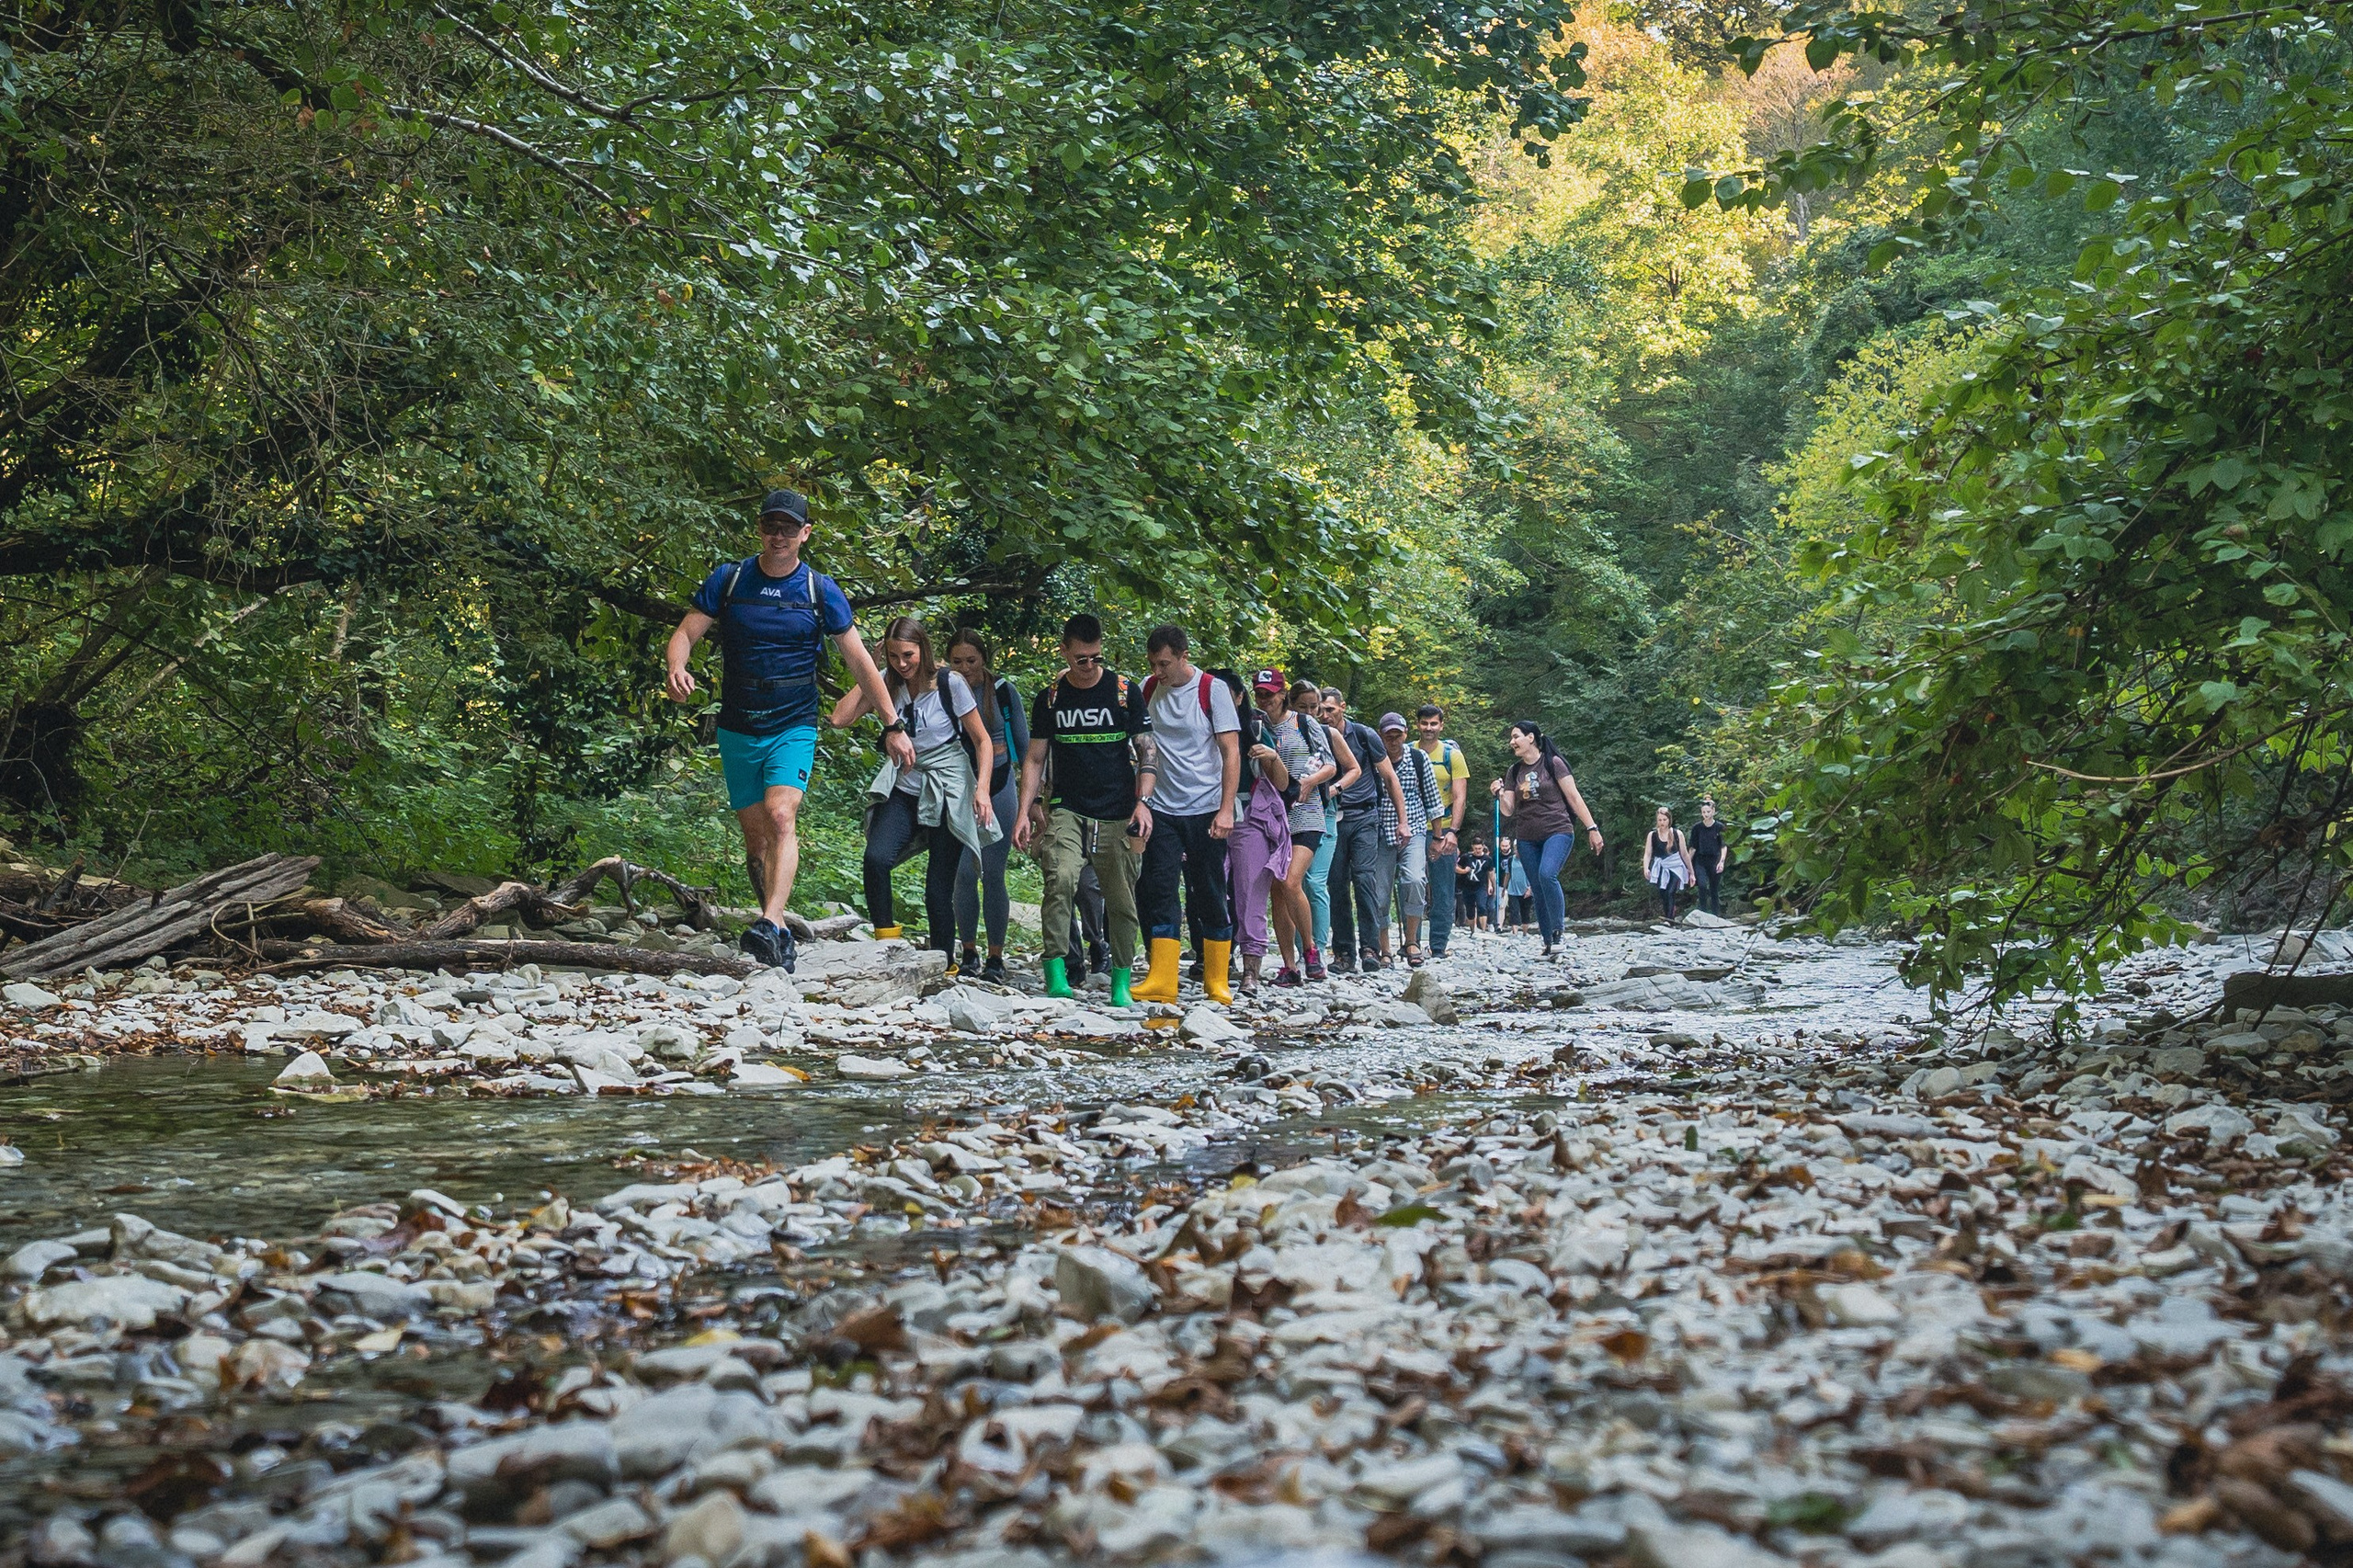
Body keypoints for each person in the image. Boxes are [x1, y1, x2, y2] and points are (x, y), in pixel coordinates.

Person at [666, 489, 915, 972]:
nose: (778, 536)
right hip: (738, 723)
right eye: (770, 526)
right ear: (760, 529)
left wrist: (892, 725)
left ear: (805, 534)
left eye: (788, 528)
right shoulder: (731, 578)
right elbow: (685, 632)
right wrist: (678, 666)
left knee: (783, 815)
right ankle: (773, 930)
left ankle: (771, 921)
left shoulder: (819, 589)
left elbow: (861, 661)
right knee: (756, 842)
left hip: (793, 721)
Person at [832, 617, 998, 959]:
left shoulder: (950, 683)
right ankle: (885, 945)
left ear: (922, 648)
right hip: (905, 782)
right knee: (876, 858)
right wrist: (870, 668)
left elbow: (982, 741)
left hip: (948, 785)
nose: (902, 664)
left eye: (908, 655)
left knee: (938, 887)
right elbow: (839, 718)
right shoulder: (885, 682)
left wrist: (981, 790)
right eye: (894, 657)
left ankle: (943, 961)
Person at [1012, 613, 1154, 1006]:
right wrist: (1024, 811)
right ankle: (1056, 970)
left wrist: (1144, 804)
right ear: (1065, 653)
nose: (1090, 666)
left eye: (1097, 658)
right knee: (1060, 879)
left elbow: (1147, 752)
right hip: (1067, 807)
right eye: (1081, 659)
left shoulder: (1125, 692)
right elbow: (1035, 758)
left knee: (1122, 898)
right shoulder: (1052, 698)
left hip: (1118, 810)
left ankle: (1121, 980)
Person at [1131, 627, 1242, 1006]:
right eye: (1153, 664)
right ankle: (1162, 977)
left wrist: (1227, 809)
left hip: (1207, 806)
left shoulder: (1213, 691)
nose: (1158, 671)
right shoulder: (1147, 689)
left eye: (1164, 664)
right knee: (1157, 887)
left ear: (1183, 656)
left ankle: (1217, 978)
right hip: (1160, 805)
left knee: (1209, 889)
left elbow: (1231, 753)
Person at [947, 630, 1028, 983]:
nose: (965, 669)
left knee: (993, 872)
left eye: (971, 661)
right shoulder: (943, 690)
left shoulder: (1003, 692)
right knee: (964, 873)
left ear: (984, 659)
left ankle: (996, 956)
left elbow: (1024, 748)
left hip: (1000, 784)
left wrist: (1033, 802)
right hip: (958, 788)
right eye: (957, 662)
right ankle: (968, 951)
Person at [1490, 721, 1603, 958]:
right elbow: (1508, 810)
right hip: (1527, 838)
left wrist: (1591, 828)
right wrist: (1499, 792)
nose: (1512, 742)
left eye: (1516, 736)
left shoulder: (1553, 764)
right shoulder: (1514, 771)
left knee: (1546, 874)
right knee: (1538, 889)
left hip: (1558, 831)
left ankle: (1559, 932)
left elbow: (1573, 797)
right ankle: (1547, 940)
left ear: (1531, 738)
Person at [1319, 687, 1408, 974]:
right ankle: (1343, 951)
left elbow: (1390, 778)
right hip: (1331, 817)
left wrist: (1402, 820)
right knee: (1335, 883)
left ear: (1343, 707)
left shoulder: (1364, 735)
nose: (1325, 715)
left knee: (1364, 878)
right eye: (1321, 710)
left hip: (1364, 816)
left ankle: (1370, 947)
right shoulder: (1314, 734)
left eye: (1330, 709)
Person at [1222, 671, 1296, 997]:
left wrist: (1272, 756)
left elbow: (1282, 784)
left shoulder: (1255, 729)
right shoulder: (1192, 728)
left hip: (1247, 817)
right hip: (1201, 815)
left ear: (1239, 697)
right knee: (1209, 892)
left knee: (1250, 892)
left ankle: (1250, 970)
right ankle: (1215, 962)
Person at [1298, 681, 1359, 976]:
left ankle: (1318, 949)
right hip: (1292, 817)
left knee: (1315, 882)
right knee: (1293, 884)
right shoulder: (1285, 729)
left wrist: (1333, 789)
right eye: (1304, 707)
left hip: (1326, 817)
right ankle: (1301, 950)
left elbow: (1354, 769)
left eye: (1316, 708)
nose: (1312, 713)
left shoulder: (1328, 733)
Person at [1375, 712, 1445, 967]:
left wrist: (1438, 837)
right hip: (1380, 832)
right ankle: (1384, 949)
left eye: (1398, 735)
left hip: (1414, 829)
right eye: (1388, 735)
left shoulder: (1418, 758)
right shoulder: (1374, 759)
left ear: (1405, 734)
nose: (1393, 740)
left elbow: (1433, 799)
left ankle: (1412, 941)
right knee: (1379, 893)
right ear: (1381, 735)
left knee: (1415, 880)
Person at [1415, 704, 1472, 958]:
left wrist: (1454, 832)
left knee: (1443, 889)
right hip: (1414, 828)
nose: (1429, 728)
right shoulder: (1408, 751)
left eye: (1433, 724)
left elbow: (1460, 797)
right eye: (1424, 723)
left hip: (1444, 827)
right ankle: (1411, 943)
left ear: (1441, 725)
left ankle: (1438, 945)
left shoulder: (1452, 756)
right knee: (1411, 884)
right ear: (1417, 725)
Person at [1643, 806, 1695, 921]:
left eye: (1664, 820)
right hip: (1661, 867)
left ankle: (1670, 920)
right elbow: (1647, 853)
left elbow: (1685, 854)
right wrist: (1646, 868)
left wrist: (1691, 872)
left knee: (1670, 891)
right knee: (1663, 892)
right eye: (1660, 820)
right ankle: (1668, 915)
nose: (1662, 823)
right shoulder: (1652, 835)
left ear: (1669, 820)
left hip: (1676, 866)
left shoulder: (1677, 834)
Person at [1688, 797, 1729, 916]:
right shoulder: (1697, 828)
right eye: (1704, 812)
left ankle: (1716, 915)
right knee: (1701, 885)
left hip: (1715, 860)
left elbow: (1723, 846)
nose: (1706, 814)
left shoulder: (1720, 827)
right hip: (1700, 860)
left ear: (1713, 811)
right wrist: (1688, 865)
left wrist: (1722, 862)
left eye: (1708, 812)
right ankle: (1703, 912)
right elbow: (1692, 848)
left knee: (1714, 889)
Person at [1459, 835, 1493, 934]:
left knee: (1482, 906)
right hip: (1468, 886)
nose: (1478, 850)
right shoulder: (1466, 857)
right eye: (1476, 848)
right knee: (1470, 910)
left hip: (1481, 886)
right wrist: (1464, 871)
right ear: (1472, 847)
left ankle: (1483, 931)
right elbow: (1456, 867)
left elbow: (1490, 873)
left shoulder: (1487, 859)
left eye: (1480, 848)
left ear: (1483, 847)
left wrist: (1492, 886)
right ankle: (1473, 931)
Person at [1500, 835, 1531, 931]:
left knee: (1525, 912)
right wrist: (1504, 888)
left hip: (1526, 890)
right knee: (1514, 911)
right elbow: (1507, 875)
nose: (1517, 851)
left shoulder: (1528, 860)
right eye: (1516, 849)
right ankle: (1515, 932)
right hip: (1513, 890)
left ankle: (1525, 932)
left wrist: (1530, 889)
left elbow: (1533, 876)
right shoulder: (1510, 860)